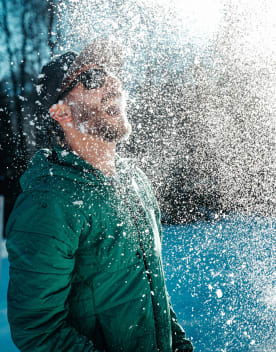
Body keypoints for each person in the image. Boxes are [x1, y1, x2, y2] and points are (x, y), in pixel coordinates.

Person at [6, 39, 193, 352]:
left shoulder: (135, 181)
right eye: (92, 79)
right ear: (61, 111)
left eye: (109, 73)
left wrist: (179, 344)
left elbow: (150, 287)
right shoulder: (49, 201)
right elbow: (38, 330)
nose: (113, 83)